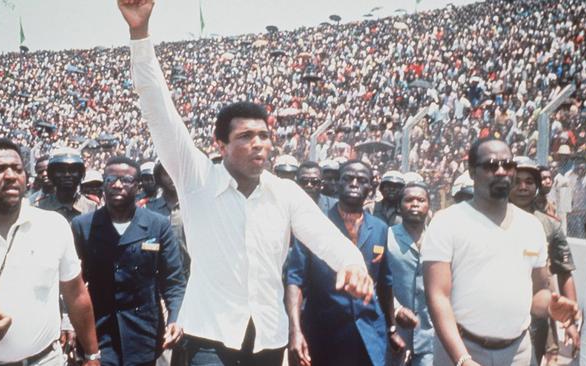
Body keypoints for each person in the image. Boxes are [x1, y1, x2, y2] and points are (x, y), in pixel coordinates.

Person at [119, 2, 374, 365]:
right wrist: (139, 34)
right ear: (220, 145)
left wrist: (352, 263)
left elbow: (325, 237)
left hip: (268, 339)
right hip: (208, 336)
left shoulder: (284, 194)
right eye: (245, 136)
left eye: (264, 135)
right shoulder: (197, 179)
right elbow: (159, 111)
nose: (258, 143)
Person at [422, 138, 578, 366]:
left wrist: (552, 307)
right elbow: (437, 296)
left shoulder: (531, 226)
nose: (502, 171)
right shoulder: (447, 222)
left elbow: (537, 294)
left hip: (518, 351)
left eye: (508, 165)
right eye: (491, 165)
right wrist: (462, 359)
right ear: (472, 172)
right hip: (461, 348)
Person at [0, 138, 100, 365]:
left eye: (17, 169)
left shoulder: (53, 226)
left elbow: (76, 294)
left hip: (44, 360)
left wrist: (92, 354)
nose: (10, 176)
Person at [284, 160, 404, 366]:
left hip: (369, 336)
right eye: (348, 178)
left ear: (371, 188)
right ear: (337, 184)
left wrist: (392, 328)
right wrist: (295, 331)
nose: (354, 183)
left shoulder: (379, 228)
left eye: (361, 180)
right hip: (323, 336)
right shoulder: (314, 227)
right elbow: (295, 280)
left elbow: (385, 284)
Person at [71, 156, 186, 366]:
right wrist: (69, 324)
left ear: (138, 185)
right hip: (98, 332)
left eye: (125, 180)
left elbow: (173, 282)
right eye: (110, 179)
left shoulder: (157, 225)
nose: (117, 185)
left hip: (143, 333)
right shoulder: (82, 226)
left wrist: (175, 319)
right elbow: (72, 284)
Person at [509, 156, 579, 364]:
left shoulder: (549, 225)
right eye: (516, 181)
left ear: (537, 187)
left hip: (535, 317)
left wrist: (571, 321)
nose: (522, 187)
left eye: (529, 182)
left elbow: (564, 272)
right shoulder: (490, 220)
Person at [386, 182, 434, 366]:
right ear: (399, 207)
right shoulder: (387, 237)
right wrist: (396, 309)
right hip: (394, 334)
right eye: (409, 200)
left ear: (429, 206)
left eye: (421, 200)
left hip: (430, 337)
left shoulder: (439, 239)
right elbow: (376, 282)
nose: (415, 204)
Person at [145, 162, 190, 279]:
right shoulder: (150, 208)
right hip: (161, 276)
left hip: (191, 274)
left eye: (175, 172)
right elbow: (147, 244)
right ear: (159, 177)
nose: (171, 177)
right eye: (166, 173)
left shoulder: (192, 205)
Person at [35, 148, 98, 222]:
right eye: (61, 170)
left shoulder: (91, 208)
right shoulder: (41, 206)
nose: (67, 175)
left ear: (81, 174)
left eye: (73, 170)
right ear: (52, 174)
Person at [566, 160, 586, 237]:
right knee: (569, 236)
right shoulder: (571, 176)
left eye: (583, 168)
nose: (580, 170)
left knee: (579, 237)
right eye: (579, 168)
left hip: (582, 215)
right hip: (570, 213)